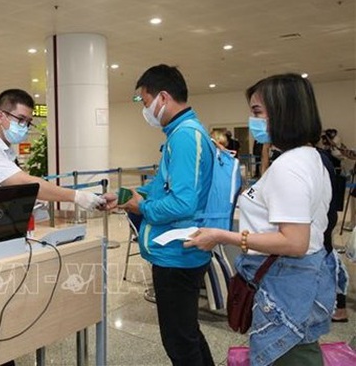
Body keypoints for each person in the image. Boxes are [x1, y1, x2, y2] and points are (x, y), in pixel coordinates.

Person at [185, 73, 336, 365]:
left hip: (285, 282)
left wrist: (222, 236)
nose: (252, 120)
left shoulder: (290, 167)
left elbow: (294, 242)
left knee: (287, 354)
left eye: (256, 112)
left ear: (284, 112)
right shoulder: (310, 157)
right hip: (303, 280)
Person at [117, 64, 215, 366]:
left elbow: (183, 204)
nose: (146, 111)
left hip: (178, 255)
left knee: (179, 342)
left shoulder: (185, 136)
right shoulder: (180, 134)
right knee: (187, 334)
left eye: (146, 103)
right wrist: (134, 196)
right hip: (174, 252)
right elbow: (165, 188)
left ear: (162, 97)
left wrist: (141, 207)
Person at [0, 88, 112, 216]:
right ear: (0, 116)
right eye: (20, 119)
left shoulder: (5, 151)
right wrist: (76, 196)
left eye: (28, 122)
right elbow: (24, 183)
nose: (24, 126)